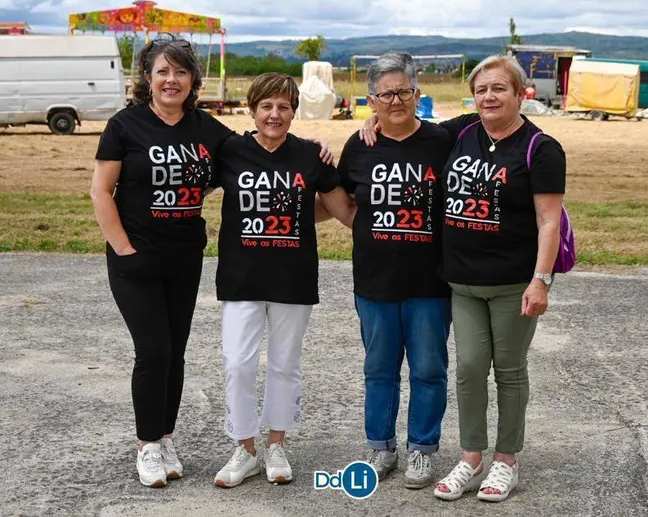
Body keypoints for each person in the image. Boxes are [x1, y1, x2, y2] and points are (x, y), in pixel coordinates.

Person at [91, 36, 331, 489]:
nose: (171, 80)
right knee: (154, 350)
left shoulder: (209, 131)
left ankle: (165, 437)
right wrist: (123, 248)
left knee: (174, 354)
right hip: (135, 258)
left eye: (180, 72)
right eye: (163, 71)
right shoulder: (126, 125)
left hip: (183, 257)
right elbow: (101, 191)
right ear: (147, 77)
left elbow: (260, 148)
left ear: (192, 80)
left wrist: (311, 147)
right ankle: (147, 446)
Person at [359, 54, 566, 503]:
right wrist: (370, 125)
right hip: (463, 283)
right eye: (482, 89)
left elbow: (549, 221)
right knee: (470, 370)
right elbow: (405, 128)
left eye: (500, 88)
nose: (490, 96)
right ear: (473, 98)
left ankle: (506, 460)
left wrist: (541, 280)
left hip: (514, 283)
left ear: (520, 93)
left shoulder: (541, 148)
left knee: (508, 373)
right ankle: (472, 458)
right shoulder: (461, 132)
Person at [212, 73, 355, 488]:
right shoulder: (231, 152)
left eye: (284, 107)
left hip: (293, 277)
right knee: (238, 364)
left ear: (294, 111)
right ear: (252, 109)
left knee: (284, 364)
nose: (275, 114)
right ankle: (244, 449)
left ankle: (276, 445)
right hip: (241, 277)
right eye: (266, 106)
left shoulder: (310, 156)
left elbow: (342, 210)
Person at [322, 53, 453, 489]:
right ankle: (381, 446)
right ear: (371, 101)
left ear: (417, 94)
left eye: (404, 91)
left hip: (430, 281)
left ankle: (422, 448)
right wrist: (361, 226)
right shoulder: (360, 145)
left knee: (429, 368)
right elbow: (340, 194)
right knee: (379, 368)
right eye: (385, 94)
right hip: (375, 280)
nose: (395, 100)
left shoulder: (443, 141)